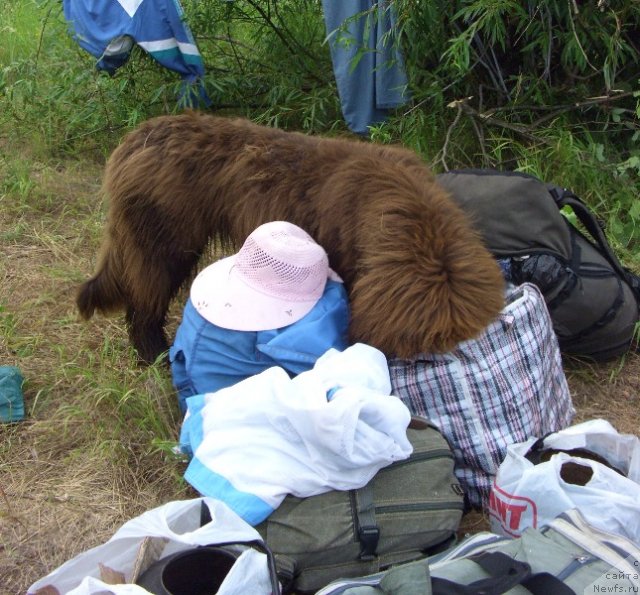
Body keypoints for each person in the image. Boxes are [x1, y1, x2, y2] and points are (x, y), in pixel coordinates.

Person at [170, 221, 350, 413]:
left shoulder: (199, 305)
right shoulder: (284, 336)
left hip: (194, 400)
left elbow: (181, 366)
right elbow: (338, 370)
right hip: (238, 415)